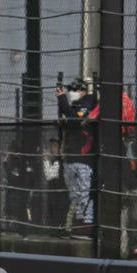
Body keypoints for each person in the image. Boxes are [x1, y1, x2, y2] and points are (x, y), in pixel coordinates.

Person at [57, 77, 96, 235]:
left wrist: (62, 100)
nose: (72, 93)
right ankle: (75, 225)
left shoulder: (88, 101)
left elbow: (75, 118)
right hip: (70, 158)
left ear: (83, 90)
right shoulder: (72, 105)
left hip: (83, 159)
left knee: (84, 194)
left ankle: (86, 226)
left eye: (75, 90)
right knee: (74, 195)